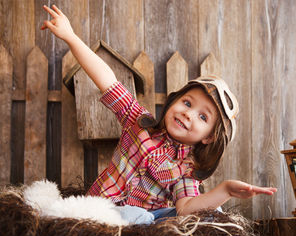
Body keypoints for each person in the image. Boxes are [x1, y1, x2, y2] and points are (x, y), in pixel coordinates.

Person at [41, 5, 277, 223]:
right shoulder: (137, 122)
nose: (188, 114)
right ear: (174, 100)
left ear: (209, 137)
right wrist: (71, 37)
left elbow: (185, 208)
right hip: (105, 210)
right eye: (187, 103)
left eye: (203, 117)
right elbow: (107, 80)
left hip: (149, 218)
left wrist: (224, 190)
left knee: (210, 213)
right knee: (139, 216)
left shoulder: (187, 168)